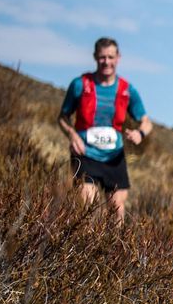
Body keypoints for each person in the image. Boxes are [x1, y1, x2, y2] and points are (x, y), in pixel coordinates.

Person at [58, 37, 153, 221]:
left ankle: (113, 249)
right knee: (86, 209)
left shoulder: (127, 90)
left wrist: (139, 133)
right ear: (95, 57)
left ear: (118, 58)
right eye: (102, 57)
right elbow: (62, 117)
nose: (106, 62)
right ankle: (84, 247)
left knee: (116, 210)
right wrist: (72, 134)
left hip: (114, 158)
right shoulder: (80, 84)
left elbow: (146, 122)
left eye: (110, 57)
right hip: (85, 154)